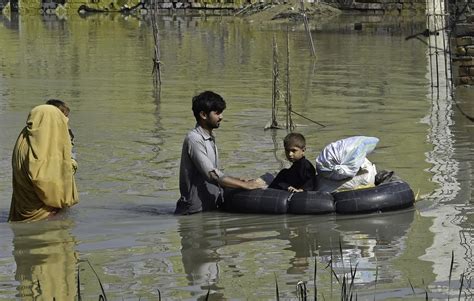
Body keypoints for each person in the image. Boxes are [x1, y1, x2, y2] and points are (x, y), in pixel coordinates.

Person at [175, 91, 266, 215]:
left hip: (209, 209)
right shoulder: (194, 139)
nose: (221, 117)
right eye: (217, 113)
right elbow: (212, 175)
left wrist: (238, 180)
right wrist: (248, 185)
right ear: (203, 115)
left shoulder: (210, 136)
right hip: (193, 213)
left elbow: (215, 174)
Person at [8, 104, 79, 222]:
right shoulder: (43, 147)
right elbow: (46, 181)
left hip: (21, 211)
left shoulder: (24, 139)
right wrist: (71, 162)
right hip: (44, 216)